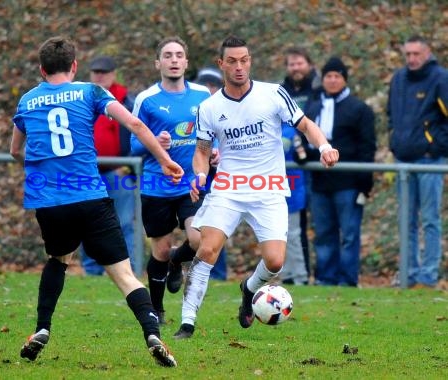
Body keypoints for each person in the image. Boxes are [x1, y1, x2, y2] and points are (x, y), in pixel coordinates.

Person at [10, 36, 180, 367]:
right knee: (124, 275)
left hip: (50, 201)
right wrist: (163, 159)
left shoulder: (27, 100)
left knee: (58, 259)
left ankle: (42, 328)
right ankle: (151, 332)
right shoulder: (90, 91)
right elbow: (132, 122)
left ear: (42, 69)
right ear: (74, 66)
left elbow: (15, 151)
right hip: (90, 196)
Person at [173, 35, 339, 339]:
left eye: (244, 60)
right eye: (232, 61)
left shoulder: (273, 94)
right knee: (207, 249)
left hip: (269, 189)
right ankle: (187, 322)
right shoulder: (209, 108)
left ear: (250, 61)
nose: (239, 67)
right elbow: (201, 151)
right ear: (221, 64)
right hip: (228, 188)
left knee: (275, 261)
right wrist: (197, 176)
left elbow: (306, 125)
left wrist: (324, 146)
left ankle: (248, 290)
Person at [130, 36, 211, 324]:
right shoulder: (146, 99)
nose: (174, 60)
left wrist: (215, 154)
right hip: (157, 184)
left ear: (186, 62)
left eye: (179, 55)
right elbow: (133, 145)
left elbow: (215, 132)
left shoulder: (203, 95)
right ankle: (157, 309)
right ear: (158, 63)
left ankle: (179, 260)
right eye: (168, 55)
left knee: (199, 239)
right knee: (160, 251)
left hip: (193, 182)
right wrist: (155, 143)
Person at [303, 57, 376, 287]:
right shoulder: (313, 107)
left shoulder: (359, 108)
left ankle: (347, 280)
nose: (332, 80)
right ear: (322, 79)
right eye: (328, 76)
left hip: (348, 183)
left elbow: (367, 147)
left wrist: (365, 182)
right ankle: (326, 278)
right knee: (324, 234)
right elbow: (305, 140)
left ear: (344, 79)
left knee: (350, 235)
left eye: (337, 76)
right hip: (320, 183)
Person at [387, 35, 448, 289]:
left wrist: (434, 146)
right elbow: (391, 115)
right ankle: (409, 273)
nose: (411, 59)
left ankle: (428, 276)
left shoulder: (440, 78)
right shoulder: (399, 78)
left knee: (430, 219)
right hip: (403, 161)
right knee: (406, 220)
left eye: (416, 54)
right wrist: (395, 140)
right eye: (408, 54)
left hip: (429, 162)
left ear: (427, 53)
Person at [79, 55, 136, 276]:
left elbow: (137, 133)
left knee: (123, 224)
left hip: (118, 171)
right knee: (87, 224)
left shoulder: (125, 101)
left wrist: (127, 166)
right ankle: (91, 271)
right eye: (96, 72)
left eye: (104, 72)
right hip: (89, 172)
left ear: (113, 74)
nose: (99, 75)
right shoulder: (82, 99)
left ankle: (127, 271)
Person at [280, 46, 321, 279]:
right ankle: (291, 273)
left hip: (313, 163)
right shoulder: (280, 92)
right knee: (289, 228)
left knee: (312, 227)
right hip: (289, 166)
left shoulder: (318, 89)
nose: (296, 68)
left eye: (300, 63)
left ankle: (309, 274)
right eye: (291, 64)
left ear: (309, 64)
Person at [194, 66, 228, 281]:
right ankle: (197, 269)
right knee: (199, 230)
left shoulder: (228, 107)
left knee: (219, 226)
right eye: (204, 85)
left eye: (212, 85)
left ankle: (218, 272)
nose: (208, 89)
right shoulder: (199, 108)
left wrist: (219, 152)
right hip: (198, 175)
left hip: (224, 178)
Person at [279, 122, 308, 285]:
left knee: (293, 234)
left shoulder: (290, 132)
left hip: (293, 188)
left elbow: (301, 157)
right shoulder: (266, 127)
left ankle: (300, 275)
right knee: (279, 234)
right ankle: (287, 273)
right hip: (273, 189)